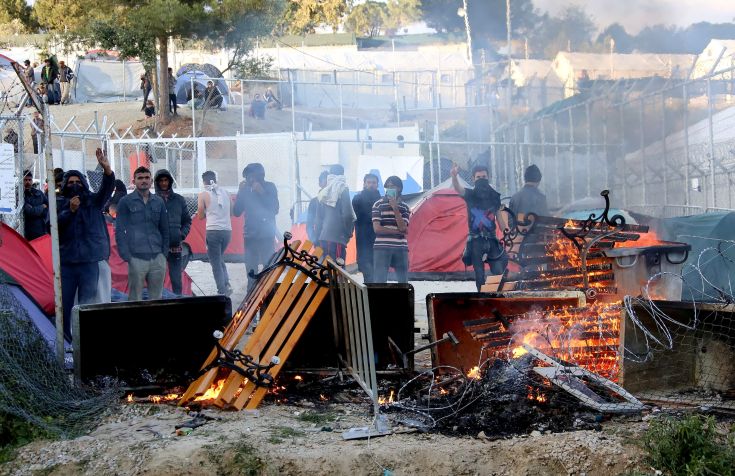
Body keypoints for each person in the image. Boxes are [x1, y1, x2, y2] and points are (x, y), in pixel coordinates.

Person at [57, 148, 115, 338]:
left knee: (87, 304)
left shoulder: (93, 201)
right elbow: (52, 225)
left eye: (78, 181)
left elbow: (106, 190)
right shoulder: (59, 203)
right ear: (65, 185)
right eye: (70, 182)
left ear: (83, 183)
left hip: (90, 262)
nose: (74, 185)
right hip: (67, 263)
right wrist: (70, 211)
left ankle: (86, 340)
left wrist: (107, 170)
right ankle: (66, 342)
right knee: (66, 306)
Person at [115, 166, 170, 301]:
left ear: (151, 181)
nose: (143, 181)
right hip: (136, 258)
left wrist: (164, 254)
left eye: (146, 178)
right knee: (134, 299)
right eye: (140, 178)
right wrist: (127, 256)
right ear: (134, 181)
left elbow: (165, 229)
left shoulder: (159, 201)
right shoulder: (125, 202)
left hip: (157, 257)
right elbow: (119, 230)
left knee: (157, 299)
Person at [451, 163, 508, 292]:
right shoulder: (470, 194)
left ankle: (498, 297)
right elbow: (458, 188)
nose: (481, 179)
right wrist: (454, 176)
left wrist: (505, 230)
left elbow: (498, 216)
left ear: (488, 177)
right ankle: (482, 300)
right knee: (479, 275)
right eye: (478, 177)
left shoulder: (494, 195)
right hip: (476, 239)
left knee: (499, 270)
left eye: (484, 176)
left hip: (492, 238)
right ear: (473, 179)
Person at [233, 163, 279, 285]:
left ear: (258, 176)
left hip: (266, 234)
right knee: (251, 269)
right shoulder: (245, 190)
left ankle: (269, 292)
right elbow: (236, 212)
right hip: (250, 234)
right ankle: (251, 294)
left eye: (249, 176)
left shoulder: (270, 187)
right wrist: (239, 192)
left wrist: (262, 193)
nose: (247, 179)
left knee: (268, 266)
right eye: (246, 177)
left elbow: (275, 209)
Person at [155, 169, 192, 296]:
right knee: (157, 280)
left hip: (175, 246)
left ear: (170, 181)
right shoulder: (152, 200)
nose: (164, 183)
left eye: (166, 180)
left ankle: (178, 303)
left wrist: (181, 234)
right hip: (158, 247)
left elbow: (187, 221)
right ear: (157, 182)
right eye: (161, 181)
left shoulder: (179, 200)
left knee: (177, 280)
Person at [195, 171, 232, 296]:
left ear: (203, 181)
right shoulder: (226, 193)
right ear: (215, 179)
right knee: (219, 258)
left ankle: (222, 290)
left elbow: (200, 216)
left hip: (213, 231)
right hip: (227, 231)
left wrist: (207, 211)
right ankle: (226, 284)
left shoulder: (203, 195)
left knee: (215, 262)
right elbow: (231, 212)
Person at [372, 176, 411, 283]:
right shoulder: (378, 204)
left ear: (399, 188)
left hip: (400, 248)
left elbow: (403, 227)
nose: (389, 189)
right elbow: (377, 229)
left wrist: (395, 208)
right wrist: (398, 232)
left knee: (403, 281)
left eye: (392, 186)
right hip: (382, 247)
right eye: (387, 187)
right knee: (380, 280)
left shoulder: (405, 207)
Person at [316, 164, 355, 262]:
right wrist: (348, 232)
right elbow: (348, 215)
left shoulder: (323, 192)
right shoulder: (343, 188)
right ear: (343, 174)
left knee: (325, 270)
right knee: (337, 270)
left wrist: (319, 236)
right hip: (337, 237)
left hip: (323, 238)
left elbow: (318, 218)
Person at [352, 173, 381, 282]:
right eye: (369, 182)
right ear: (364, 184)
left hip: (378, 239)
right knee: (366, 269)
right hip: (363, 239)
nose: (371, 185)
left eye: (374, 182)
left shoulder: (382, 200)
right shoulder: (357, 199)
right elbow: (353, 217)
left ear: (377, 184)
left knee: (378, 271)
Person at [22, 170, 48, 241]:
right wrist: (42, 206)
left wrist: (37, 210)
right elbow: (30, 212)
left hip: (41, 229)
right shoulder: (20, 195)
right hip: (28, 231)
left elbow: (48, 207)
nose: (28, 182)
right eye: (25, 180)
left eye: (29, 180)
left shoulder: (39, 193)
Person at [306, 171, 329, 243]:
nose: (326, 186)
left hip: (334, 243)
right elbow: (309, 224)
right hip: (319, 241)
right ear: (320, 184)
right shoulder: (314, 202)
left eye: (329, 184)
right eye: (324, 183)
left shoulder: (337, 201)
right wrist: (313, 239)